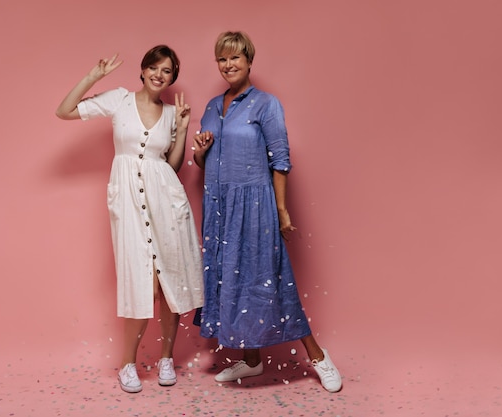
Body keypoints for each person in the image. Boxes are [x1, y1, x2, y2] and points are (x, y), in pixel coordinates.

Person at [192, 31, 342, 393]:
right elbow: (201, 161)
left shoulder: (266, 104)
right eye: (222, 59)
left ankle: (319, 358)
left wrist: (282, 211)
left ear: (248, 61)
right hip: (218, 206)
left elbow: (281, 160)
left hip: (254, 205)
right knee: (232, 281)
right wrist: (200, 149)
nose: (228, 65)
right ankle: (254, 361)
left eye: (235, 58)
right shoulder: (212, 106)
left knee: (269, 281)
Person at [56, 45, 204, 393]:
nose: (159, 74)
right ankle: (127, 363)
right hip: (128, 203)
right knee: (142, 282)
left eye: (167, 71)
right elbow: (64, 111)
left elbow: (172, 165)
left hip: (165, 201)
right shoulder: (119, 100)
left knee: (170, 285)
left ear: (172, 78)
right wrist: (94, 76)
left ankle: (167, 357)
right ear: (142, 70)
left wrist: (181, 130)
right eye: (154, 67)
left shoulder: (171, 112)